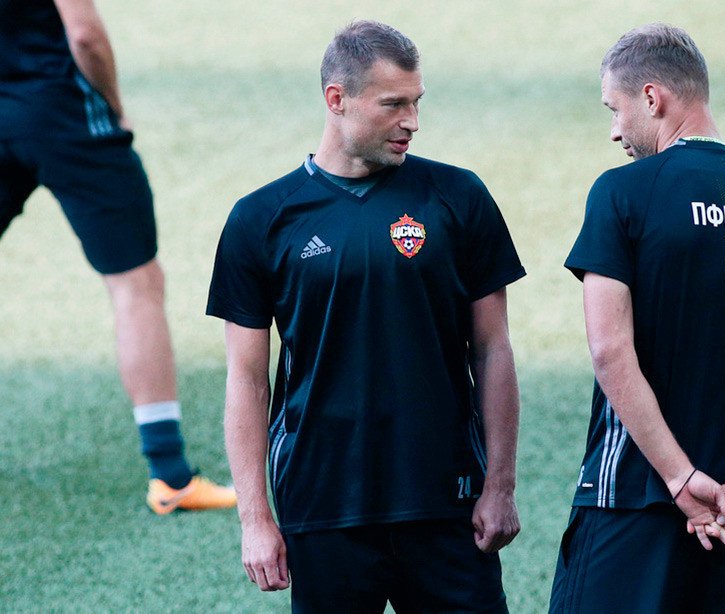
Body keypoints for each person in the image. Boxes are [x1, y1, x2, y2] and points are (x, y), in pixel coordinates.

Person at [207, 20, 525, 612]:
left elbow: (492, 350)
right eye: (393, 104)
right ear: (337, 99)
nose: (412, 121)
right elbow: (247, 380)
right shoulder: (261, 219)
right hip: (323, 504)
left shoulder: (458, 197)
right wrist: (255, 518)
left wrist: (500, 485)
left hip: (445, 500)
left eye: (417, 102)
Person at [549, 23, 725, 613]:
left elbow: (610, 350)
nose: (615, 131)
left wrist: (678, 478)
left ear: (652, 97)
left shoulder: (623, 192)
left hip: (631, 503)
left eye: (615, 109)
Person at [0, 0, 236, 514]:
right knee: (136, 284)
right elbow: (85, 35)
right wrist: (113, 103)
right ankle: (170, 476)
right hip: (65, 115)